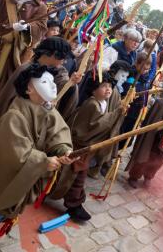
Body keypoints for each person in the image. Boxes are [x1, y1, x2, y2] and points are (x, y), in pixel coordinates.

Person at [0, 64, 77, 252]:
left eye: (53, 82)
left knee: (7, 209)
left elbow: (57, 133)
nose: (53, 86)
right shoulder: (15, 115)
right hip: (9, 175)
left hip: (27, 175)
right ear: (29, 89)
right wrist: (44, 161)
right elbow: (16, 151)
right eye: (46, 82)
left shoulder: (48, 109)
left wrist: (63, 150)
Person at [49, 71, 126, 221]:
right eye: (104, 86)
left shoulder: (103, 103)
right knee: (74, 176)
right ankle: (72, 203)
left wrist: (119, 111)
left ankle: (75, 203)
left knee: (78, 176)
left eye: (110, 86)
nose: (108, 89)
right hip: (79, 146)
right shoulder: (91, 104)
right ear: (93, 89)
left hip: (87, 149)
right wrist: (116, 113)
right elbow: (96, 125)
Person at [0, 37, 81, 149]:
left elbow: (62, 83)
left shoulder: (57, 70)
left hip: (33, 120)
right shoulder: (25, 69)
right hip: (18, 117)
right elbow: (10, 98)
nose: (64, 61)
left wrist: (71, 83)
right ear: (53, 54)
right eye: (63, 58)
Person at [126, 69, 163, 188]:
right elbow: (150, 121)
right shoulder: (159, 102)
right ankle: (135, 176)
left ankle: (149, 176)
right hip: (152, 137)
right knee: (145, 155)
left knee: (158, 158)